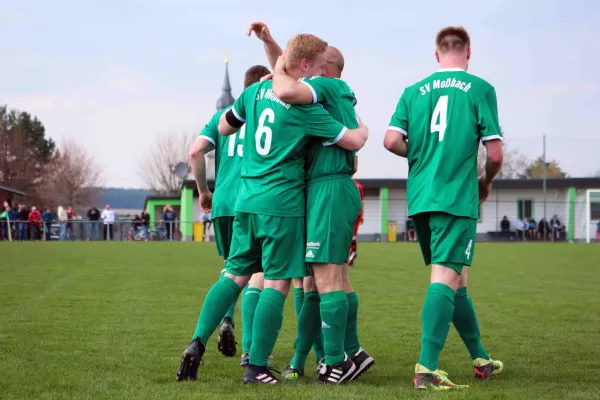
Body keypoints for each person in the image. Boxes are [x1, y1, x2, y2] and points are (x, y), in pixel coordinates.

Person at [176, 33, 368, 385]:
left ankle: (196, 344)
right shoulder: (305, 108)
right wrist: (364, 127)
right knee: (277, 283)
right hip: (282, 204)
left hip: (245, 200)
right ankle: (257, 367)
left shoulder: (251, 94)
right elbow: (353, 141)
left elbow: (222, 126)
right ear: (307, 66)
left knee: (233, 276)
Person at [248, 21, 374, 382]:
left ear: (324, 68)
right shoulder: (339, 92)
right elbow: (287, 74)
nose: (309, 72)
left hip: (327, 189)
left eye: (315, 66)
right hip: (328, 188)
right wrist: (271, 43)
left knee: (326, 277)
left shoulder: (321, 86)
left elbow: (285, 86)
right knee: (329, 278)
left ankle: (336, 360)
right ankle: (351, 351)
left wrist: (274, 53)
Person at [384, 26, 504, 389]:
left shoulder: (413, 91)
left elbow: (391, 140)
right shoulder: (480, 89)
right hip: (455, 197)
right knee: (445, 277)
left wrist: (418, 154)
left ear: (437, 55)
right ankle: (426, 369)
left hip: (421, 197)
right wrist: (486, 180)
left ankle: (480, 358)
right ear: (468, 51)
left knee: (456, 279)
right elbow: (495, 153)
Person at [188, 65, 271, 364]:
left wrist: (204, 191)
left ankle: (225, 321)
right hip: (252, 201)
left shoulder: (221, 117)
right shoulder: (266, 113)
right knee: (256, 275)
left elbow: (196, 151)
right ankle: (250, 351)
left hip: (222, 202)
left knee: (231, 269)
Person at [348, 179, 364, 267]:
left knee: (347, 236)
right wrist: (362, 215)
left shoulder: (346, 184)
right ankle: (352, 256)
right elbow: (362, 202)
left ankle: (352, 252)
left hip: (348, 214)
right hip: (358, 213)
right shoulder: (359, 185)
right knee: (353, 236)